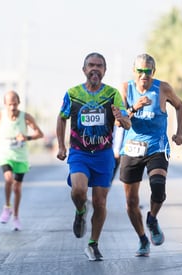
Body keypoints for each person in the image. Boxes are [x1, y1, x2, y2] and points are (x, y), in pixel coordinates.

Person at [56, 52, 131, 261]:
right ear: (84, 70)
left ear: (104, 71)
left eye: (99, 66)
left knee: (100, 202)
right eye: (91, 65)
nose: (95, 69)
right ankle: (80, 212)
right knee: (78, 191)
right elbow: (61, 118)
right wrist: (61, 146)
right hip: (79, 153)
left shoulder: (112, 94)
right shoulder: (72, 94)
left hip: (104, 155)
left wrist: (121, 118)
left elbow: (126, 122)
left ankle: (93, 244)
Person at [119, 53, 182, 257]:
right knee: (131, 201)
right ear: (134, 72)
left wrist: (179, 132)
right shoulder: (125, 89)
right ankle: (142, 239)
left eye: (148, 71)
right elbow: (119, 120)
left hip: (157, 146)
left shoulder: (162, 88)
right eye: (140, 71)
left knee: (158, 188)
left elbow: (180, 106)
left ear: (153, 72)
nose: (144, 75)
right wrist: (135, 107)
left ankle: (152, 218)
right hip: (131, 148)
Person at [0, 90, 44, 231]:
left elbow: (40, 133)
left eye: (14, 104)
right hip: (5, 154)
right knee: (8, 179)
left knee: (17, 188)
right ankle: (7, 207)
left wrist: (27, 137)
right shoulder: (0, 115)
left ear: (18, 103)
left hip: (20, 156)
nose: (12, 107)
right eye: (9, 104)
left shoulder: (26, 117)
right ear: (5, 104)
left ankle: (16, 216)